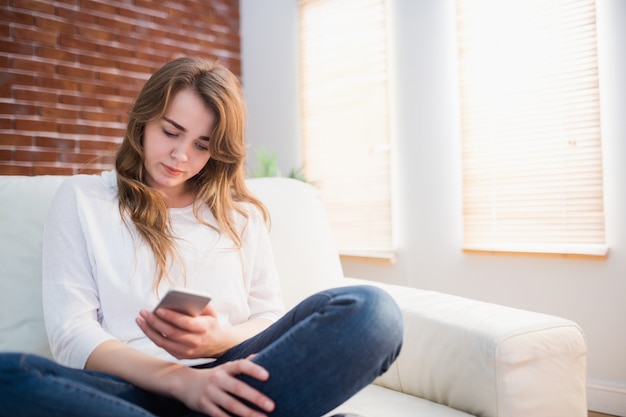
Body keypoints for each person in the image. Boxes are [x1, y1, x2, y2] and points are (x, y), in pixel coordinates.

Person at [0, 57, 402, 417]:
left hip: (230, 372)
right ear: (143, 120)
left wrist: (218, 341)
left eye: (202, 145)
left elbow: (267, 317)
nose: (181, 156)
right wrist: (183, 381)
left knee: (373, 313)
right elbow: (72, 335)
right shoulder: (82, 200)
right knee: (9, 375)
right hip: (129, 388)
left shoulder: (240, 215)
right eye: (171, 132)